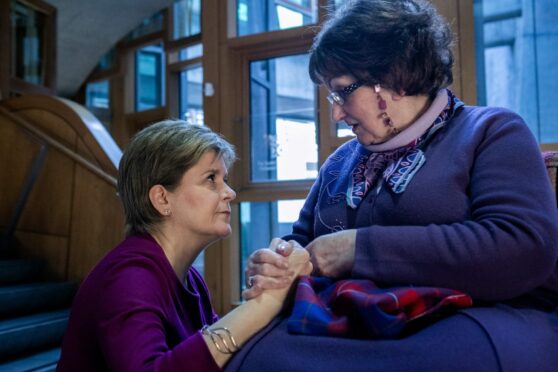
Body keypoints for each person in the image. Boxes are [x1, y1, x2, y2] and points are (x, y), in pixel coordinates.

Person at [233, 0, 558, 371]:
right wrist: (279, 259)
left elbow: (524, 247)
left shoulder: (491, 131)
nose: (336, 112)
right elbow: (303, 240)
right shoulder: (340, 162)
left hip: (468, 317)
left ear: (395, 79)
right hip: (350, 319)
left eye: (342, 92)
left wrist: (356, 249)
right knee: (254, 356)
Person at [56, 120, 312, 371]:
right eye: (211, 178)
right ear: (162, 198)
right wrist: (267, 302)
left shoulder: (191, 279)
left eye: (225, 178)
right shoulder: (129, 277)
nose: (230, 192)